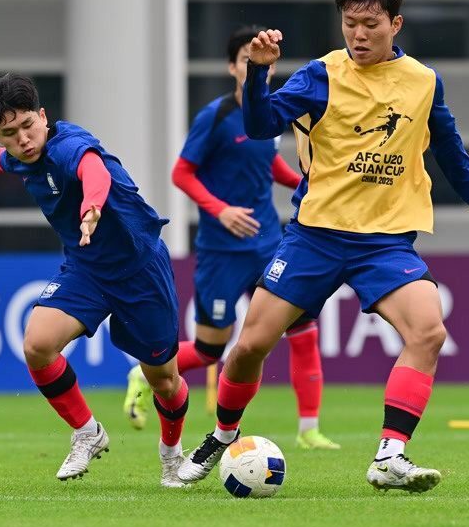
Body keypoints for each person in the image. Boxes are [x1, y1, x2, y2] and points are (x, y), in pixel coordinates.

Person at [178, 0, 469, 492]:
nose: (358, 34)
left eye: (371, 24)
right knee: (248, 348)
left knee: (429, 331)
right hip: (315, 236)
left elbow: (445, 142)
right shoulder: (321, 75)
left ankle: (389, 456)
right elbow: (261, 126)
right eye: (350, 24)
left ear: (395, 23)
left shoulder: (422, 81)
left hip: (385, 241)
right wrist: (260, 75)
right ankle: (221, 434)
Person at [0, 73, 191, 488]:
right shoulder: (16, 155)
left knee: (164, 379)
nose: (23, 139)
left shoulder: (67, 147)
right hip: (86, 268)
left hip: (139, 270)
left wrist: (92, 207)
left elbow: (94, 171)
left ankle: (172, 457)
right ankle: (87, 432)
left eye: (28, 125)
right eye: (9, 133)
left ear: (44, 117)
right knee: (37, 345)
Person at [123, 26, 339, 450]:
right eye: (245, 57)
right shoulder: (215, 116)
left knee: (304, 331)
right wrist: (220, 209)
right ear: (231, 66)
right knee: (209, 350)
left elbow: (268, 164)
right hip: (222, 251)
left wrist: (309, 181)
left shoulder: (275, 114)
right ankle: (143, 371)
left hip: (269, 245)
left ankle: (309, 429)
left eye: (263, 60)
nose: (255, 64)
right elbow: (181, 173)